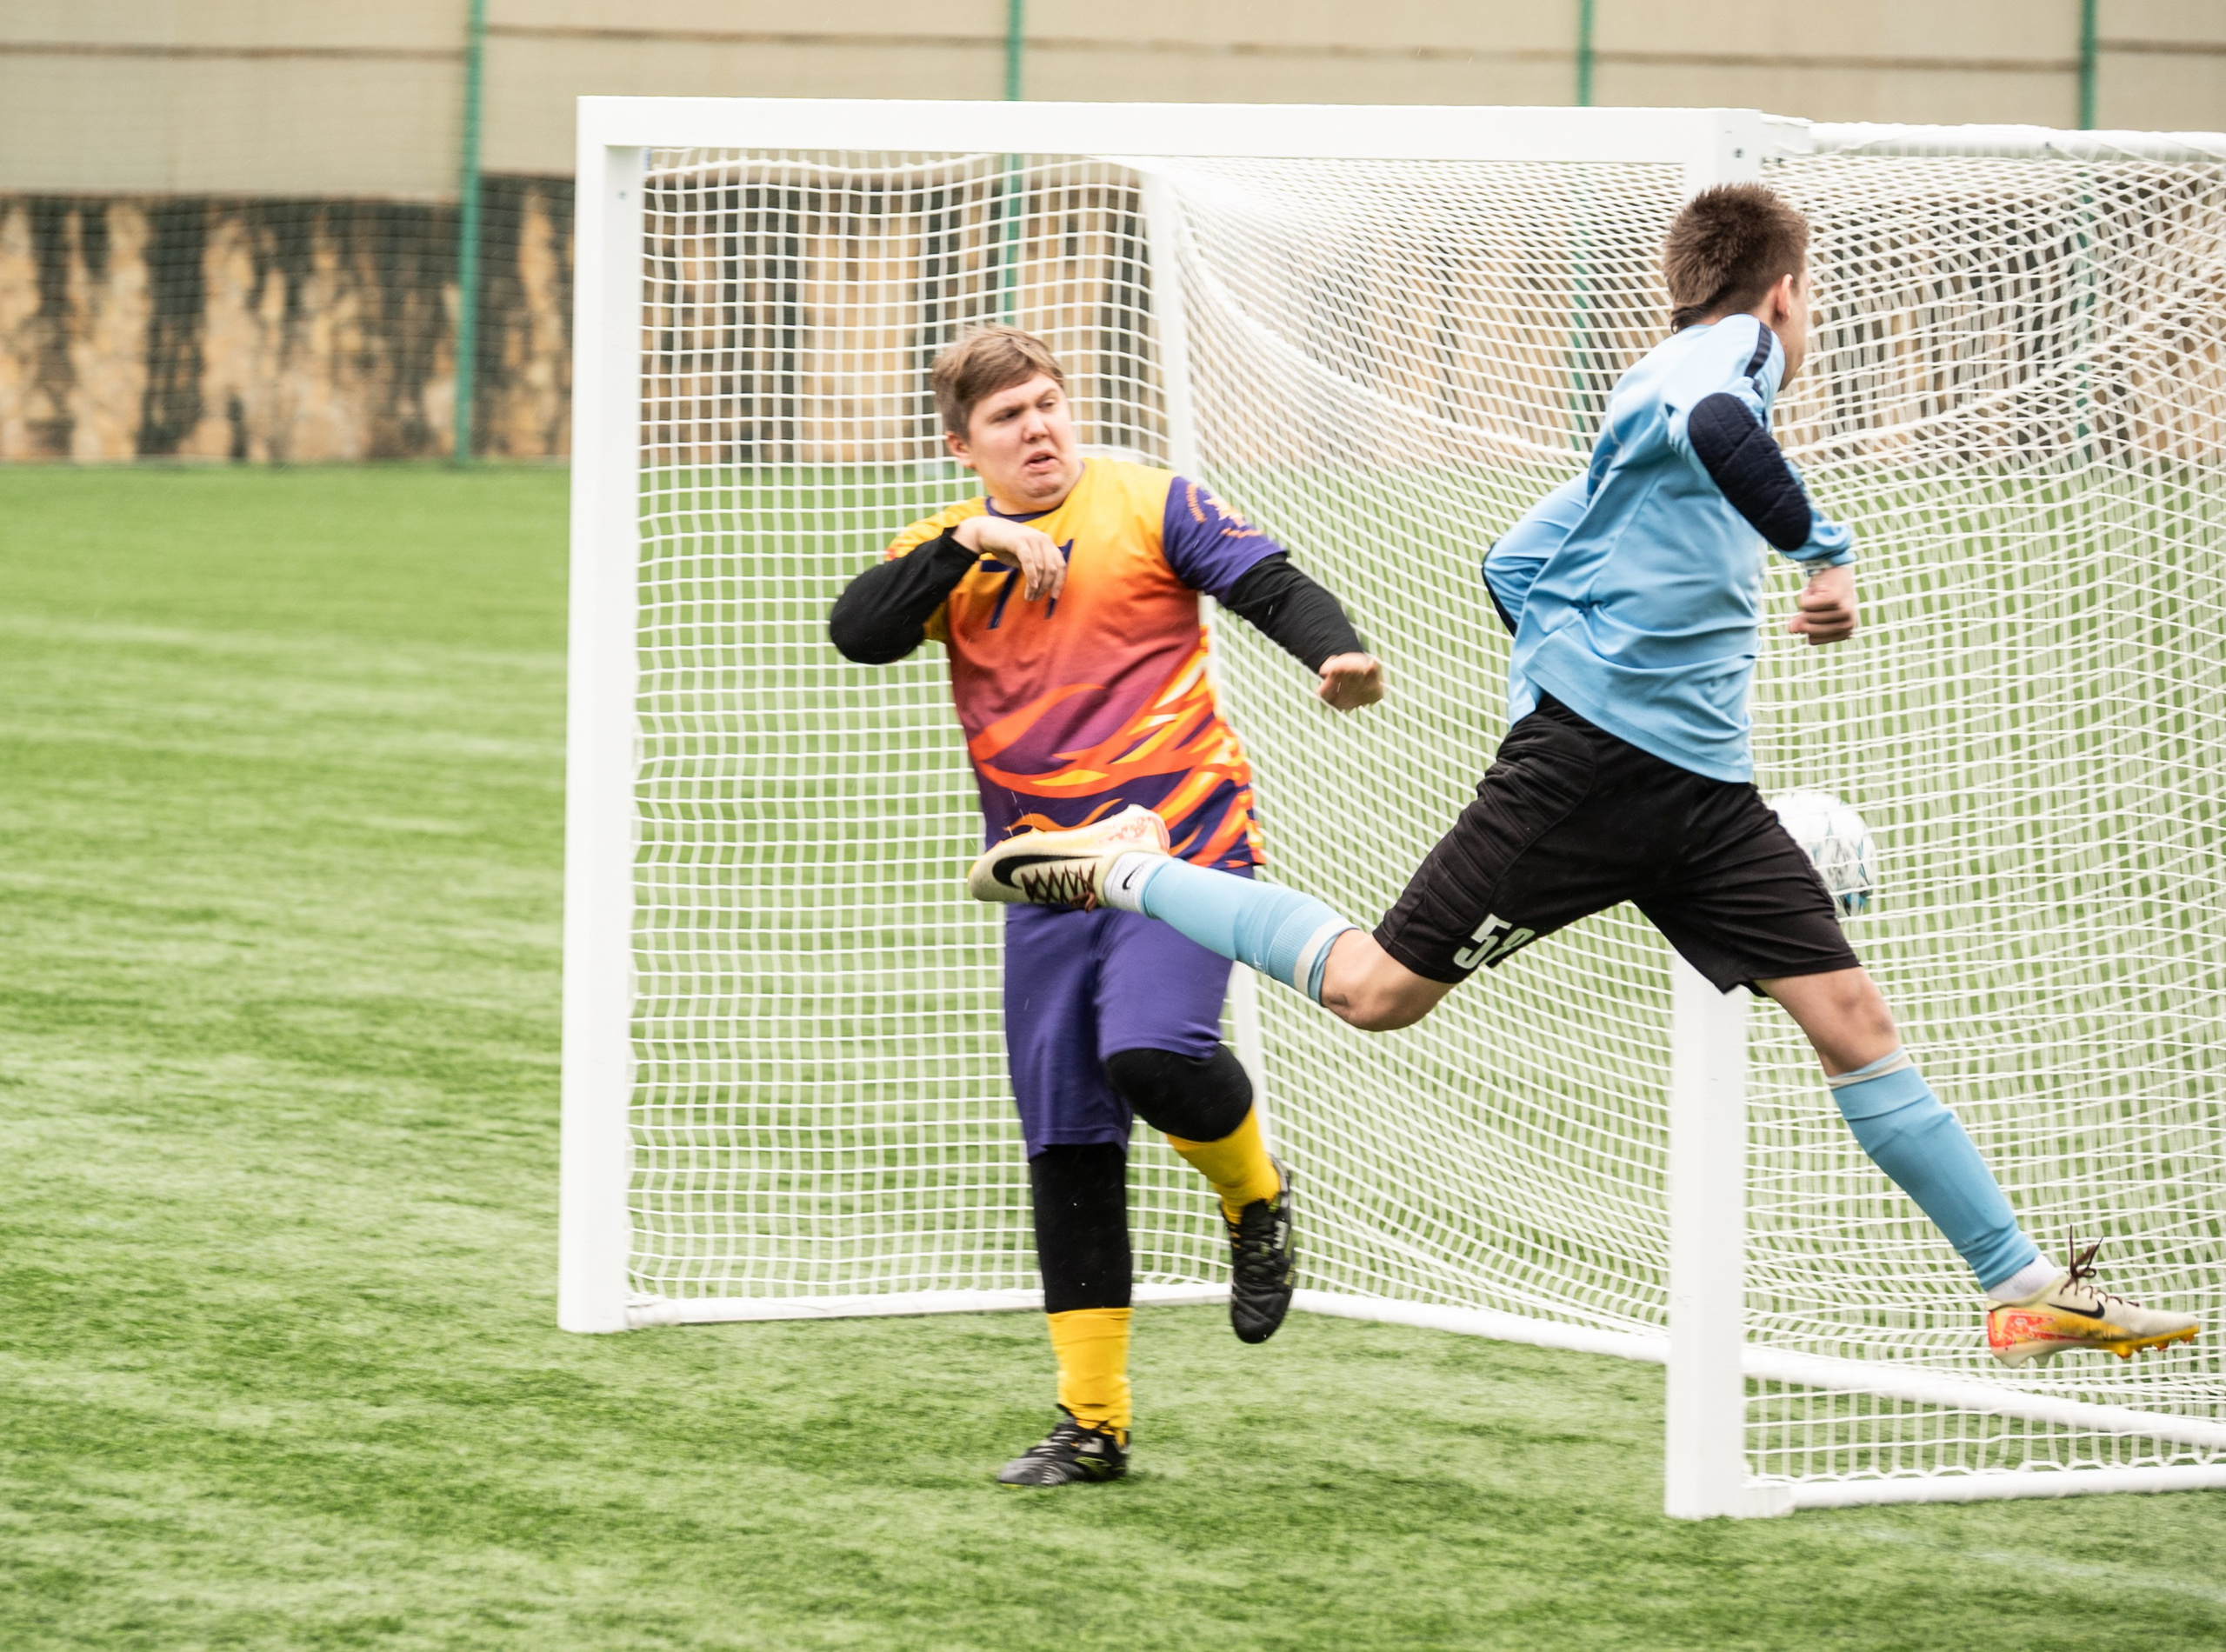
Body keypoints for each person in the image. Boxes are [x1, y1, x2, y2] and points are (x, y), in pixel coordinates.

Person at [969, 187, 2198, 1369]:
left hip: (1702, 799)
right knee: (1377, 992)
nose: (1802, 326)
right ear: (1782, 295)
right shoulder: (1727, 366)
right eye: (1806, 304)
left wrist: (1579, 658)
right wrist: (1821, 557)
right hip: (1592, 776)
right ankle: (1127, 868)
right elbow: (1725, 432)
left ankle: (2025, 1287)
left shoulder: (1649, 400)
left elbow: (1514, 561)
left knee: (1853, 1026)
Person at [830, 325, 1384, 1484]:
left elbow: (1265, 580)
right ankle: (1094, 1425)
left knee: (1150, 1050)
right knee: (1068, 1139)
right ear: (963, 447)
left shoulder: (1147, 503)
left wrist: (1335, 654)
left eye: (1047, 404)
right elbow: (859, 631)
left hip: (1184, 840)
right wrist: (969, 544)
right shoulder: (945, 550)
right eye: (1007, 419)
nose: (1037, 428)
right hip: (1044, 872)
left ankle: (1255, 1197)